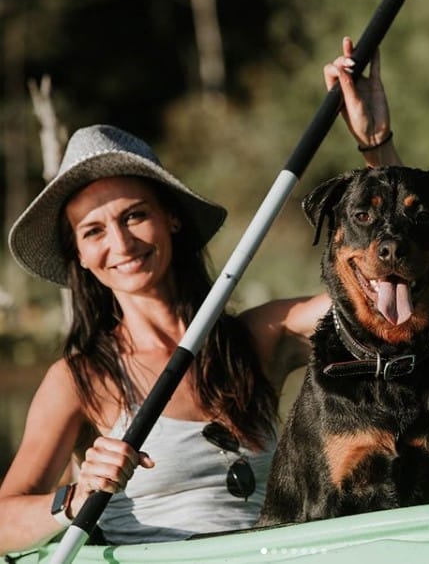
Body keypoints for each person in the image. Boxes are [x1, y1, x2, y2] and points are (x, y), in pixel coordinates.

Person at [0, 37, 401, 554]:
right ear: (78, 254)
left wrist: (376, 146)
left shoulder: (259, 337)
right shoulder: (79, 379)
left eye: (134, 216)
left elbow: (384, 302)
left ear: (170, 219)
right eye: (94, 231)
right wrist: (72, 500)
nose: (120, 243)